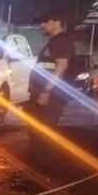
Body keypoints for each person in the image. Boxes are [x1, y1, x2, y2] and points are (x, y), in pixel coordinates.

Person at [26, 12, 75, 168]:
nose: (41, 25)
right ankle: (40, 167)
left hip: (50, 96)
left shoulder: (61, 41)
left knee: (45, 132)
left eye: (45, 22)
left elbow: (61, 67)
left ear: (57, 22)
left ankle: (45, 169)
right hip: (42, 93)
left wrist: (46, 91)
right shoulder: (53, 42)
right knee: (37, 129)